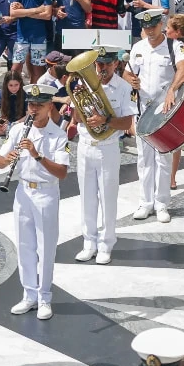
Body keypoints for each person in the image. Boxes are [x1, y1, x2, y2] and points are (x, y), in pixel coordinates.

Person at [0, 85, 70, 320]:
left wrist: (37, 155)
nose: (33, 109)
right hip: (23, 192)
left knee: (45, 247)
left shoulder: (58, 135)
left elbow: (62, 172)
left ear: (49, 107)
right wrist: (9, 159)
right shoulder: (19, 129)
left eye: (39, 105)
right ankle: (29, 295)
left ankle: (45, 296)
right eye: (31, 104)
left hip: (46, 194)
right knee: (25, 245)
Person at [71, 47, 137, 265]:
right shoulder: (84, 85)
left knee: (108, 197)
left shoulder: (124, 88)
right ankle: (89, 242)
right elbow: (77, 118)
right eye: (99, 64)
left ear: (116, 64)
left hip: (107, 146)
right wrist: (83, 109)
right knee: (87, 197)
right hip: (85, 146)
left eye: (107, 64)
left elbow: (127, 123)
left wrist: (105, 121)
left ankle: (106, 243)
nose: (103, 68)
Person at [125, 10, 184, 223]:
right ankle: (145, 202)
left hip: (165, 110)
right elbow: (127, 72)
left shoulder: (174, 46)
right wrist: (130, 80)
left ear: (161, 24)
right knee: (144, 159)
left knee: (163, 158)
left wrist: (173, 88)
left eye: (153, 26)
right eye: (145, 27)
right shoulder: (138, 47)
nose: (149, 31)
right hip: (143, 109)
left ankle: (162, 204)